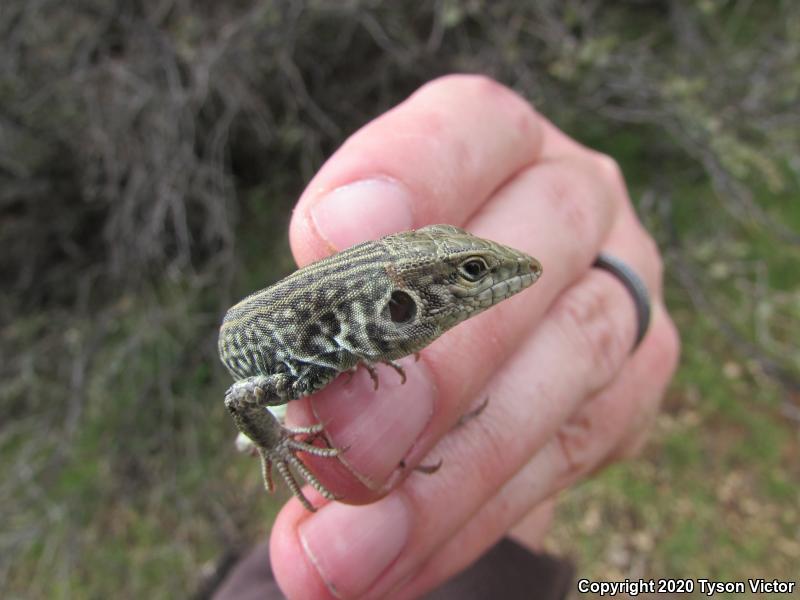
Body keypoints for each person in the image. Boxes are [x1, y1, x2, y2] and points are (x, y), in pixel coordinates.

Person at [213, 75, 680, 599]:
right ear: (401, 299)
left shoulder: (360, 320)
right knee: (259, 430)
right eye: (473, 270)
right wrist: (273, 443)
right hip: (276, 375)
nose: (501, 275)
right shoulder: (305, 360)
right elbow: (240, 397)